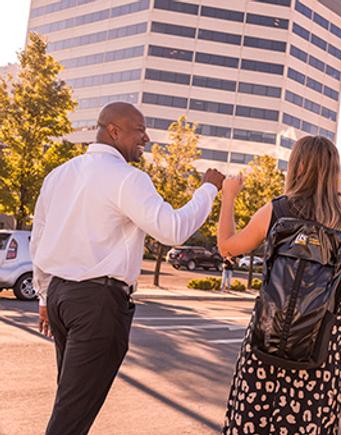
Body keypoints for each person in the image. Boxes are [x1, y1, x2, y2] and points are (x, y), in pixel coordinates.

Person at [31, 102, 225, 435]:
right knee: (71, 416)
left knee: (70, 402)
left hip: (62, 298)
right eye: (140, 130)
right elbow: (172, 229)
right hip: (97, 304)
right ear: (114, 131)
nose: (146, 138)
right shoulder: (127, 179)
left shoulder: (58, 175)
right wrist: (208, 190)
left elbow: (40, 240)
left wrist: (45, 298)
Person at [217, 136, 341, 434]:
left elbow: (226, 248)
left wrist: (228, 197)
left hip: (265, 340)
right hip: (321, 351)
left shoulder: (275, 211)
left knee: (252, 421)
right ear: (334, 172)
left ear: (296, 167)